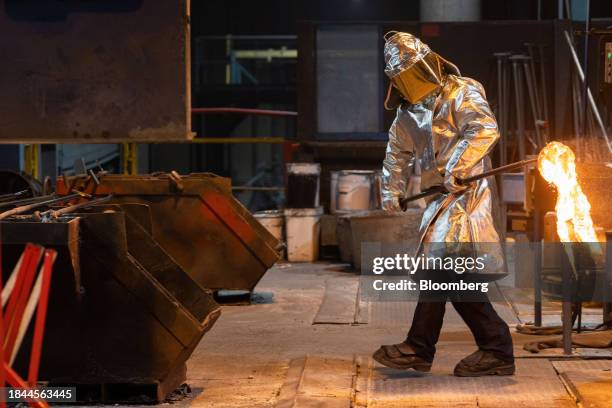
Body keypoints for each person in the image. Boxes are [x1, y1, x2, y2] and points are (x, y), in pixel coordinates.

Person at [373, 31, 515, 377]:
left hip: (466, 196)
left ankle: (422, 347)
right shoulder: (409, 112)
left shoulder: (462, 92)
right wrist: (391, 190)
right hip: (439, 198)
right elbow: (397, 153)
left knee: (441, 269)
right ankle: (493, 347)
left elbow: (483, 128)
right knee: (451, 275)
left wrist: (458, 167)